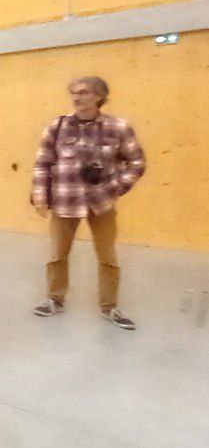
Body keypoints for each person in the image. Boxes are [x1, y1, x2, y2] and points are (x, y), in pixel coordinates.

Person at [31, 76, 145, 329]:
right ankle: (54, 299)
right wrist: (40, 196)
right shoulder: (57, 126)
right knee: (57, 254)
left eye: (83, 92)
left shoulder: (118, 127)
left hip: (101, 204)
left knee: (107, 256)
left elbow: (137, 162)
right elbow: (42, 163)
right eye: (73, 92)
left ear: (99, 96)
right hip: (64, 201)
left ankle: (110, 306)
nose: (76, 97)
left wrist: (115, 187)